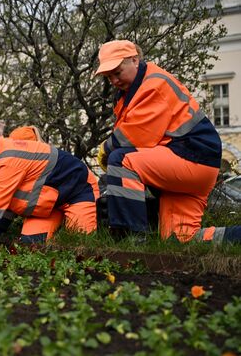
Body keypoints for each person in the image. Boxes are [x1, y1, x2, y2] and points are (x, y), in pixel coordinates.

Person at [95, 40, 241, 242]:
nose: (113, 80)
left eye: (117, 72)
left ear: (135, 60)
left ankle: (132, 241)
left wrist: (106, 148)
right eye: (109, 76)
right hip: (192, 165)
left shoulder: (152, 85)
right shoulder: (139, 87)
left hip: (191, 159)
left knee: (121, 159)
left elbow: (134, 136)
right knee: (179, 237)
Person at [0, 117, 100, 257]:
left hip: (78, 192)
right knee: (30, 248)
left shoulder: (5, 160)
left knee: (80, 247)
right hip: (48, 206)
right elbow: (6, 210)